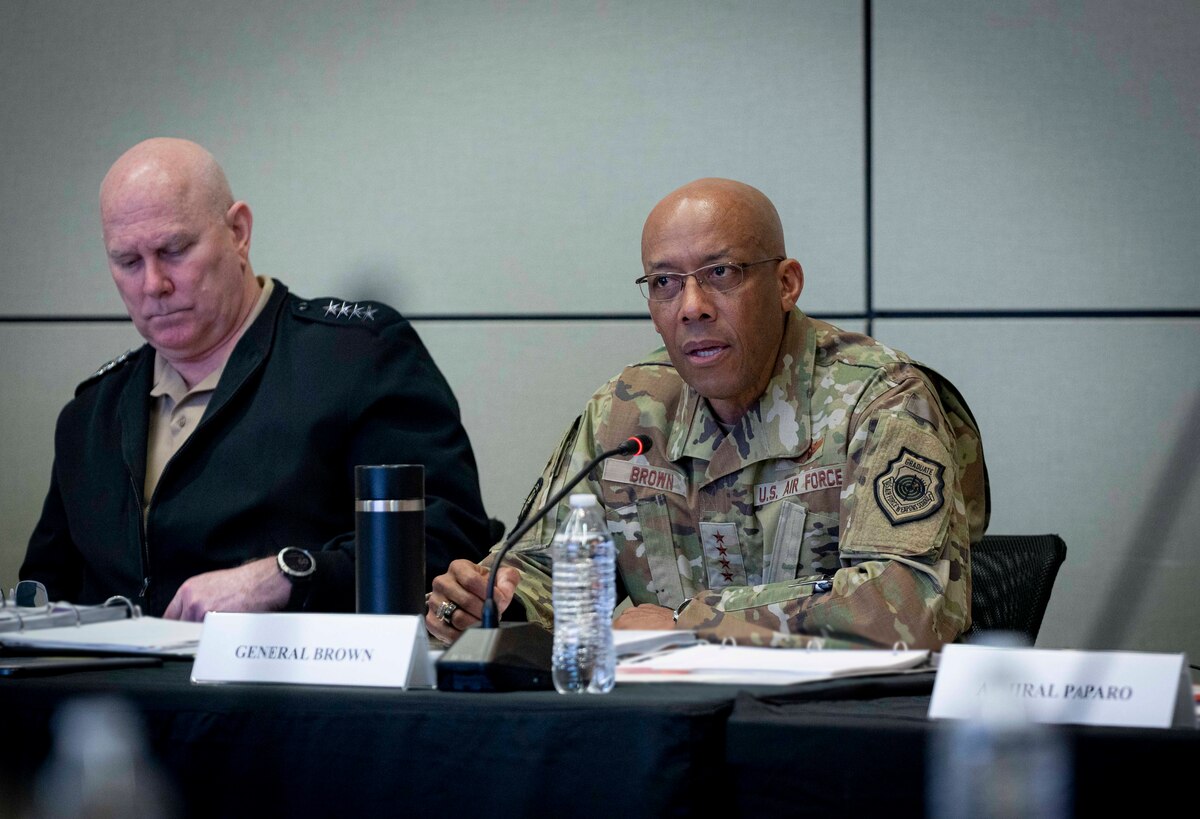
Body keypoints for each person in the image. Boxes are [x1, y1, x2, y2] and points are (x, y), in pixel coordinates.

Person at [426, 178, 988, 649]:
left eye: (722, 273)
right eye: (666, 283)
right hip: (663, 723)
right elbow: (544, 569)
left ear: (786, 283)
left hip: (832, 728)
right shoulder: (626, 413)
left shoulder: (880, 400)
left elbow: (907, 602)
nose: (691, 307)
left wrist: (690, 624)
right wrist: (496, 604)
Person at [21, 138, 490, 619]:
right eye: (128, 262)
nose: (153, 284)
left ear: (238, 232)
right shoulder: (91, 415)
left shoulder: (356, 358)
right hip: (121, 693)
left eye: (175, 250)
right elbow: (40, 601)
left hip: (293, 689)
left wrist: (292, 576)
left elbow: (448, 539)